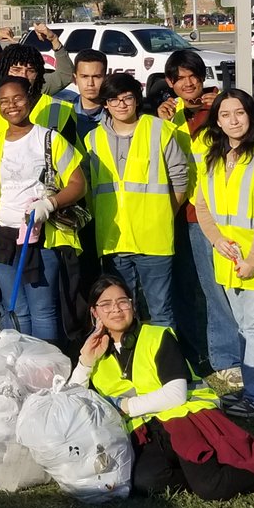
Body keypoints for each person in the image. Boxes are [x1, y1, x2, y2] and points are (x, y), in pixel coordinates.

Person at [70, 276, 254, 498]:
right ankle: (204, 473)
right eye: (106, 304)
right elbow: (70, 403)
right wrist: (85, 362)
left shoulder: (157, 336)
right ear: (95, 312)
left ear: (132, 305)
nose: (116, 309)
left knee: (210, 487)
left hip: (185, 418)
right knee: (145, 483)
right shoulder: (95, 354)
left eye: (122, 301)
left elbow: (176, 393)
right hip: (147, 431)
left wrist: (126, 406)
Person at [0, 76, 86, 342]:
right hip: (2, 238)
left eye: (18, 98)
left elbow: (79, 184)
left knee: (42, 310)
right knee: (15, 310)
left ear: (30, 99)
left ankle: (42, 365)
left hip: (39, 237)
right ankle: (20, 361)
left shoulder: (50, 139)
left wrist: (50, 203)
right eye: (4, 101)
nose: (11, 105)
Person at [194, 90, 254, 419]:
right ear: (217, 122)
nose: (233, 121)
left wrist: (253, 259)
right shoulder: (214, 157)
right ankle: (250, 391)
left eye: (240, 113)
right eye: (225, 115)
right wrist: (216, 239)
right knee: (245, 329)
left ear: (251, 115)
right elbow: (202, 205)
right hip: (229, 260)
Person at [82, 73, 189, 331]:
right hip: (113, 240)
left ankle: (164, 357)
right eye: (114, 99)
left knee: (160, 310)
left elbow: (180, 177)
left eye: (127, 98)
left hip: (154, 239)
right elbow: (89, 187)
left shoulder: (159, 130)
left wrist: (166, 213)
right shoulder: (92, 139)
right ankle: (128, 353)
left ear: (137, 100)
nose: (121, 104)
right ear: (105, 104)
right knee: (119, 310)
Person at [159, 49, 240, 380]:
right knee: (181, 288)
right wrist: (163, 116)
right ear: (170, 83)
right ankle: (191, 354)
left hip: (206, 216)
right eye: (180, 78)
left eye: (194, 76)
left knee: (213, 288)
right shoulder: (168, 114)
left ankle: (226, 358)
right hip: (171, 212)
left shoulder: (219, 110)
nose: (188, 83)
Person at [0, 42, 76, 151]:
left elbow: (73, 157)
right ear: (4, 71)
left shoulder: (61, 110)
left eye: (30, 71)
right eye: (16, 70)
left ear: (38, 75)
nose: (23, 76)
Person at [70, 49, 107, 141]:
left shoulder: (117, 113)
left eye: (96, 77)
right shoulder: (64, 112)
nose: (90, 83)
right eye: (84, 77)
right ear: (75, 79)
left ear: (106, 78)